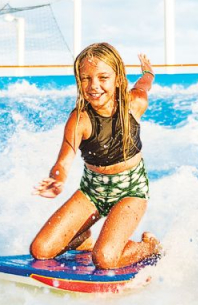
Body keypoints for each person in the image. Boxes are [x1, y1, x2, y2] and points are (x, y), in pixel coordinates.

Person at [29, 42, 161, 269]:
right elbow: (63, 160)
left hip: (131, 190)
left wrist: (148, 72)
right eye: (85, 78)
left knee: (104, 259)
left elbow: (144, 84)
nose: (94, 86)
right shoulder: (79, 119)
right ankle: (82, 238)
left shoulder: (135, 103)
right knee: (40, 250)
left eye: (103, 77)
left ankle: (149, 247)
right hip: (92, 190)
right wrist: (57, 179)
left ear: (118, 78)